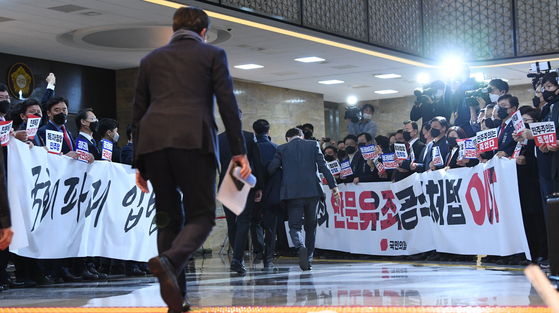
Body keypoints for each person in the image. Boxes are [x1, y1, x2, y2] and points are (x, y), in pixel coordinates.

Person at [131, 7, 250, 313]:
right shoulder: (212, 55)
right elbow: (227, 104)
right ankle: (169, 261)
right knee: (203, 215)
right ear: (204, 32)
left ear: (173, 30)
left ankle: (176, 299)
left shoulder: (150, 60)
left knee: (167, 215)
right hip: (192, 141)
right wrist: (239, 151)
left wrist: (138, 163)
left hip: (153, 143)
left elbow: (138, 111)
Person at [268, 128, 339, 271]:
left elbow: (271, 169)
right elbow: (323, 166)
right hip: (313, 192)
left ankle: (300, 247)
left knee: (294, 226)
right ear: (302, 136)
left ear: (288, 137)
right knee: (311, 227)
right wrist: (333, 186)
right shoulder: (313, 145)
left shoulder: (282, 149)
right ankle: (309, 259)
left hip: (292, 193)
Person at [218, 120, 264, 274]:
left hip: (226, 184)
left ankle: (237, 258)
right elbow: (257, 163)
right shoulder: (250, 137)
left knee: (232, 223)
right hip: (245, 183)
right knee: (244, 221)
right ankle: (237, 260)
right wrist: (259, 187)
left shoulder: (218, 139)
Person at [252, 119, 279, 268]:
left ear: (254, 132)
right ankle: (268, 256)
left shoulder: (250, 148)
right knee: (270, 224)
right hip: (272, 192)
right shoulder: (276, 148)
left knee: (254, 221)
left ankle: (258, 252)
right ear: (269, 132)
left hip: (254, 190)